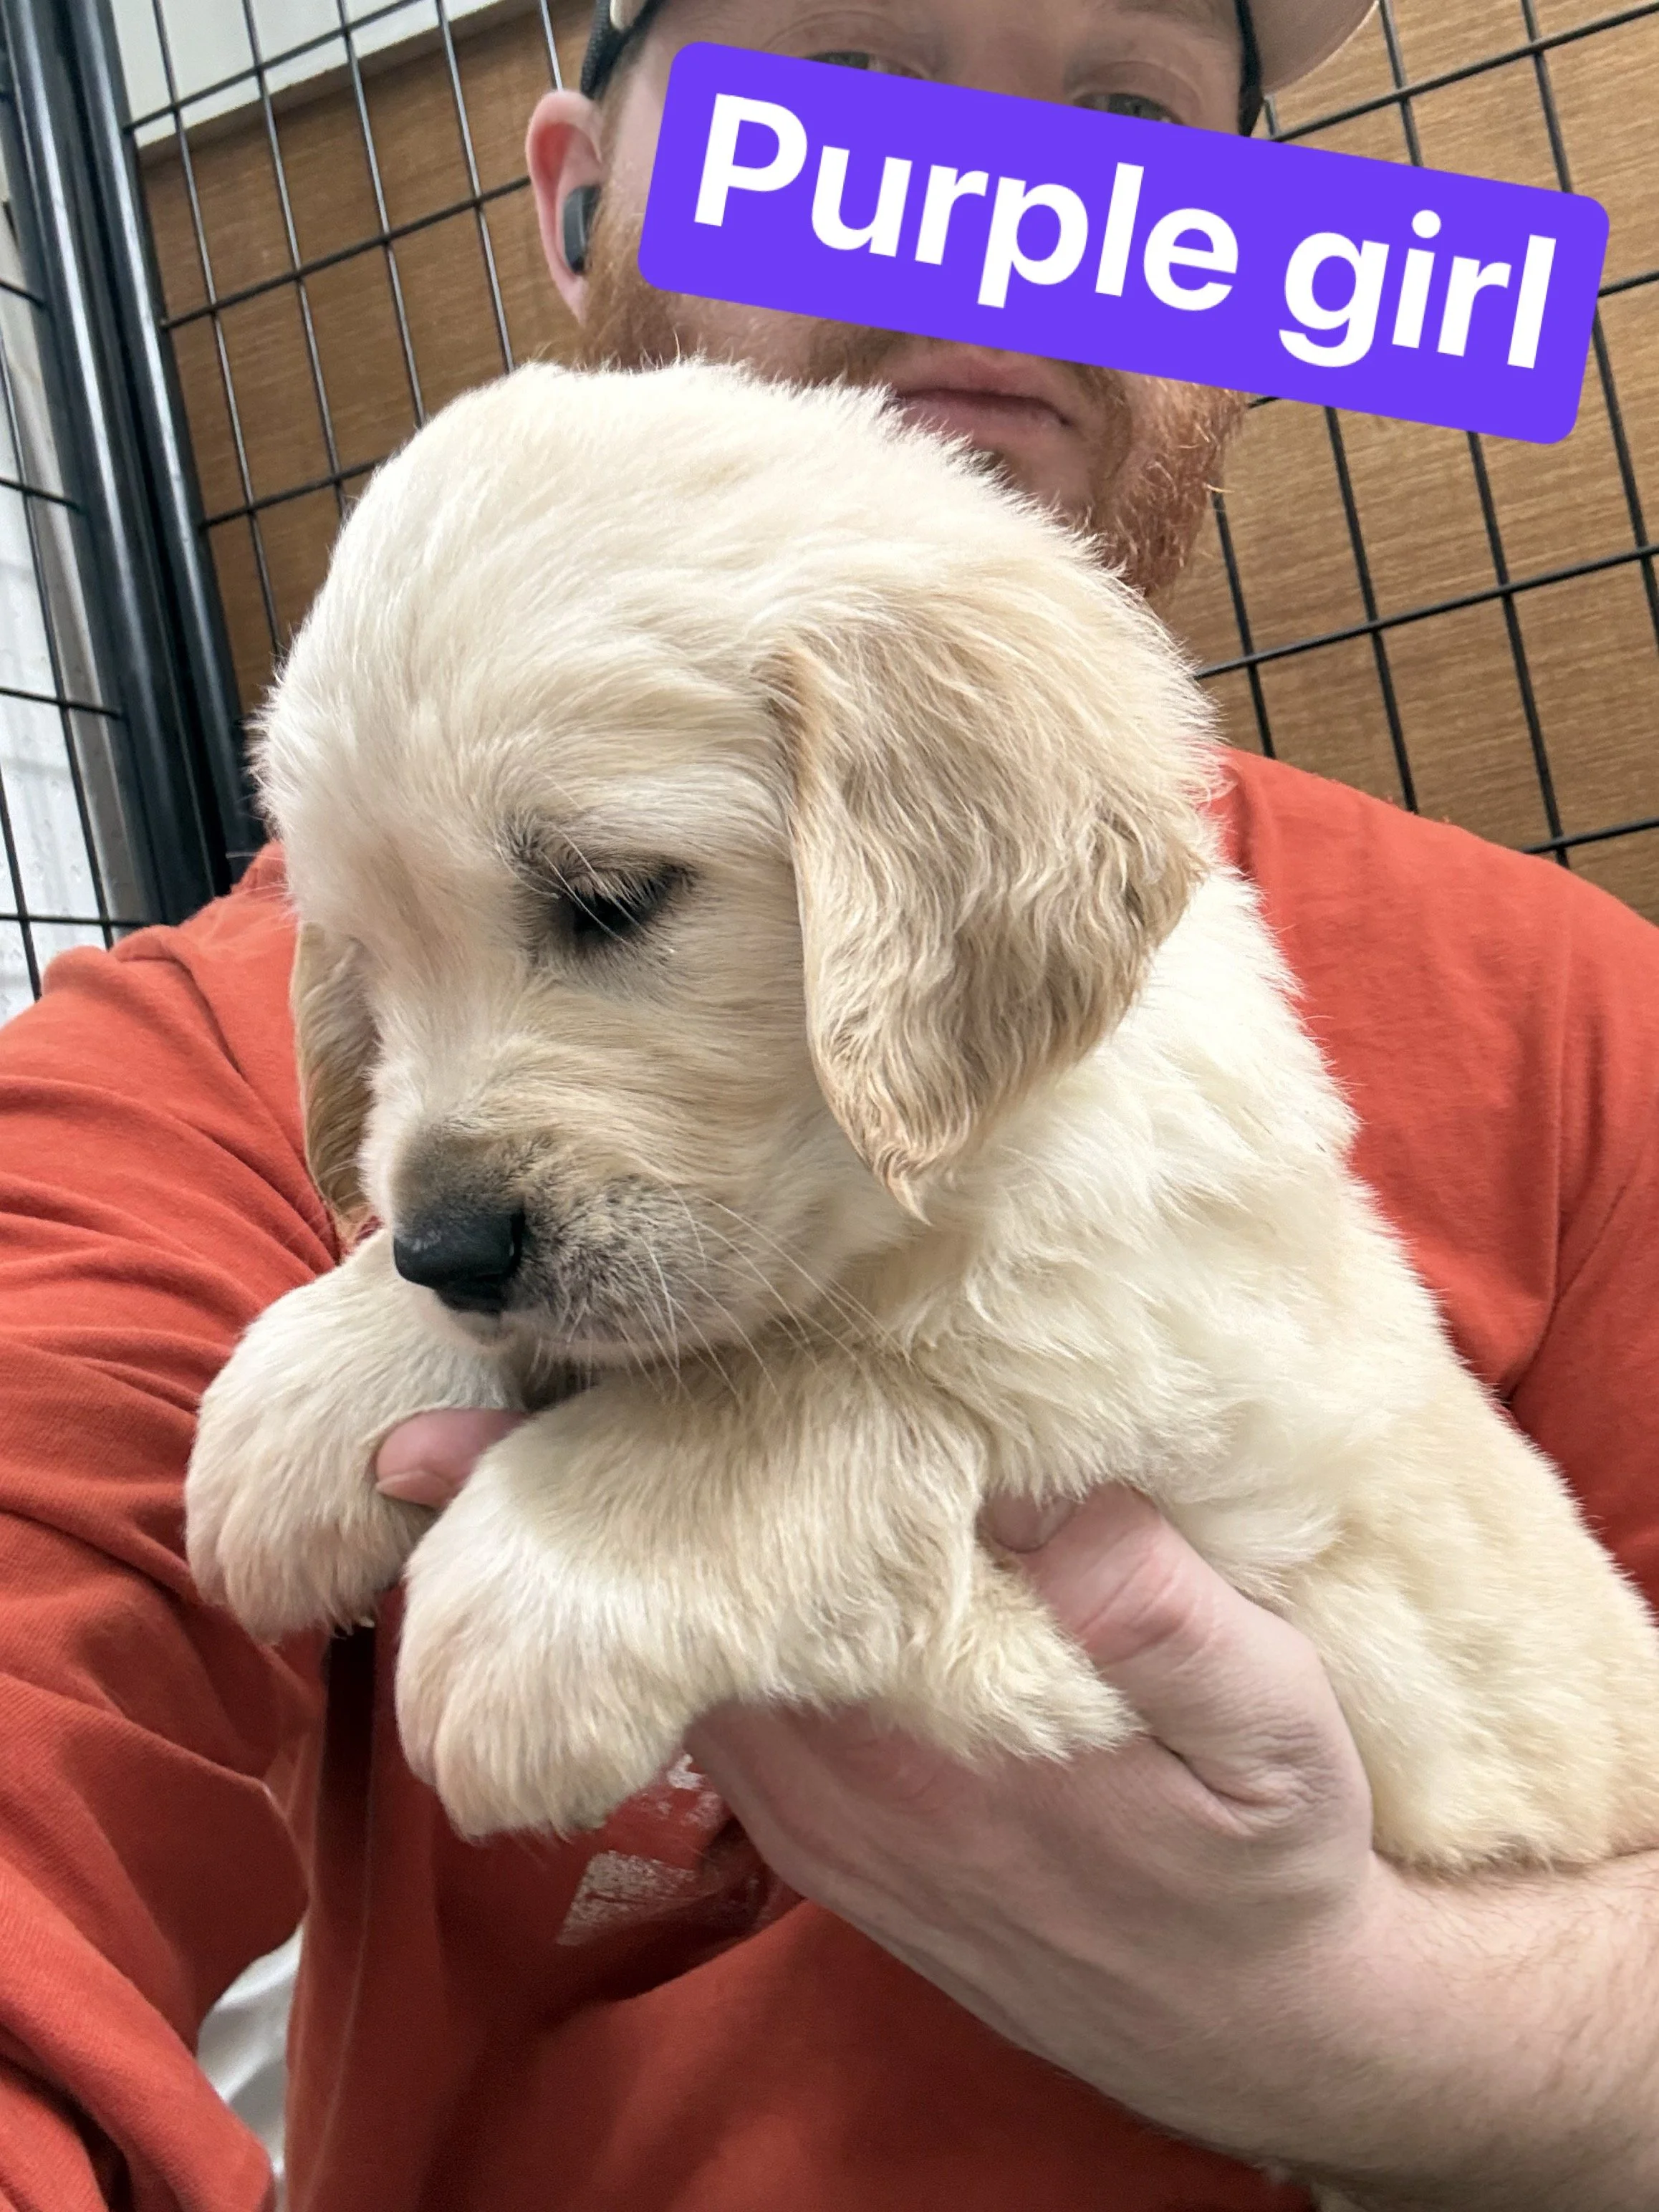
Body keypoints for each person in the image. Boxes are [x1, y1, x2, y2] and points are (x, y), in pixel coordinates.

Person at [1, 0, 1655, 2206]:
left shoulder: (1581, 1020)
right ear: (580, 193)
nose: (993, 236)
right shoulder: (183, 1071)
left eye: (1116, 126)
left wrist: (1396, 2031)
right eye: (842, 110)